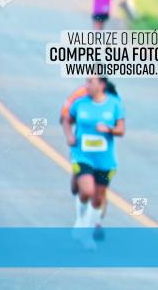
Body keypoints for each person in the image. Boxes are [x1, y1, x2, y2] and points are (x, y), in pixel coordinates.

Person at [63, 75, 125, 247]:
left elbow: (121, 129)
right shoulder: (79, 101)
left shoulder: (114, 103)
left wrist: (109, 129)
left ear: (102, 85)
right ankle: (82, 223)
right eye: (87, 81)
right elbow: (66, 119)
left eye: (91, 81)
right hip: (82, 155)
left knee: (98, 197)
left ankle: (89, 229)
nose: (87, 85)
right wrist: (69, 136)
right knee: (86, 190)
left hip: (105, 160)